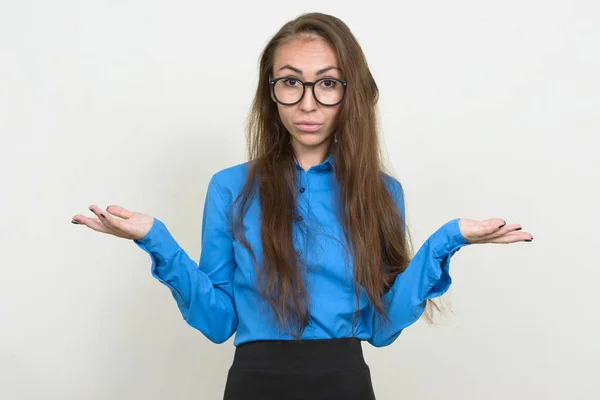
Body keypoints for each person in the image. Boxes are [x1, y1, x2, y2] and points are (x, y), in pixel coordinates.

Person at [71, 12, 533, 400]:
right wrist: (156, 240)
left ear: (349, 92)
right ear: (270, 92)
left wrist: (448, 239)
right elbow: (217, 321)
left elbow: (382, 326)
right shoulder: (231, 187)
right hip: (254, 383)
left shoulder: (381, 192)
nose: (307, 103)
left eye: (327, 83)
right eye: (291, 82)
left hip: (344, 384)